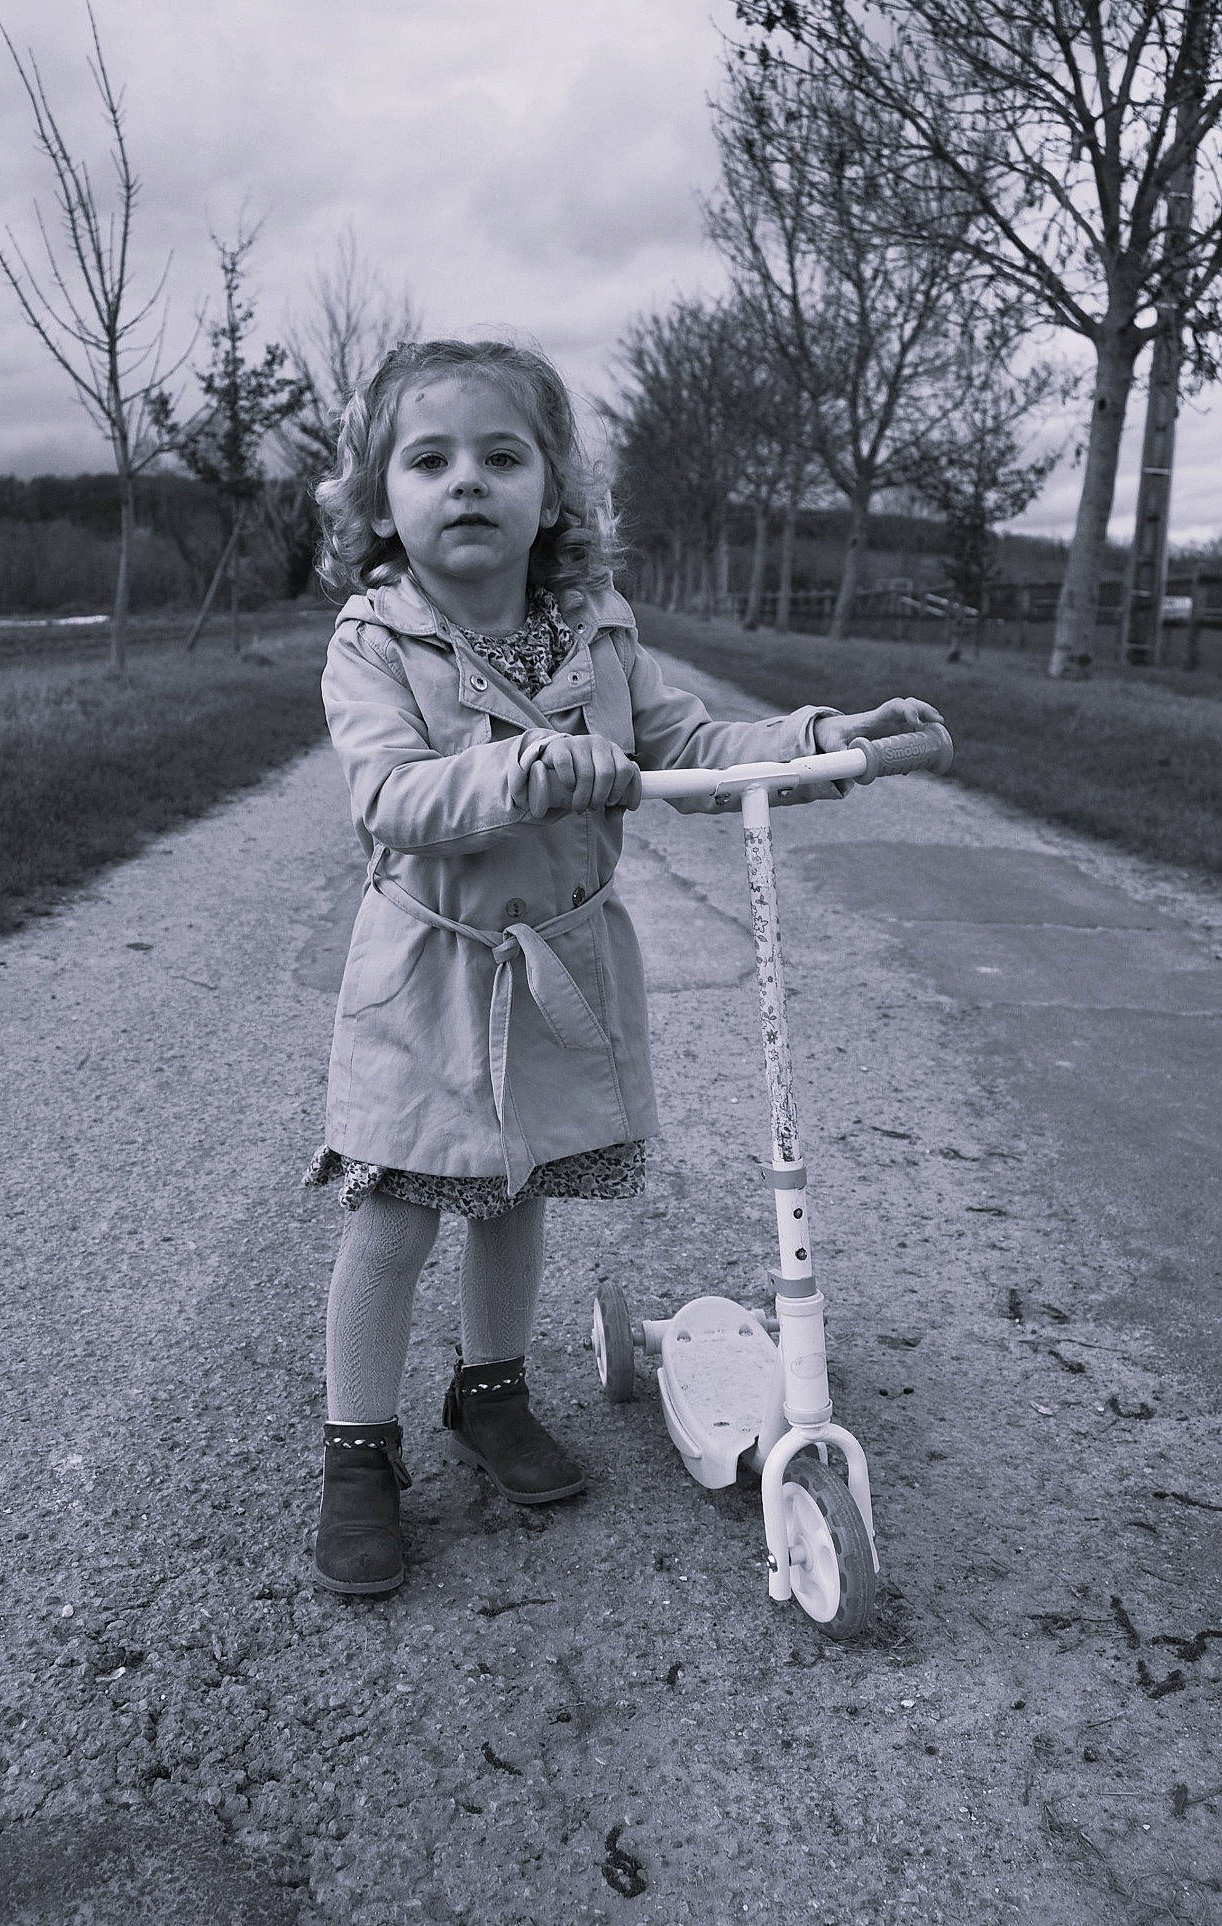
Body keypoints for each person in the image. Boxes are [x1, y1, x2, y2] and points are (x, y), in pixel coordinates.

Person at [304, 336, 940, 1596]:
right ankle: (355, 1452)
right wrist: (525, 768)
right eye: (430, 460)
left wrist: (819, 739)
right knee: (397, 1209)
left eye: (502, 455)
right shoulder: (376, 642)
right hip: (434, 972)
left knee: (517, 1185)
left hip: (563, 966)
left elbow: (689, 741)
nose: (467, 481)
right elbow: (389, 794)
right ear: (381, 502)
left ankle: (489, 1391)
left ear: (554, 491)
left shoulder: (595, 634)